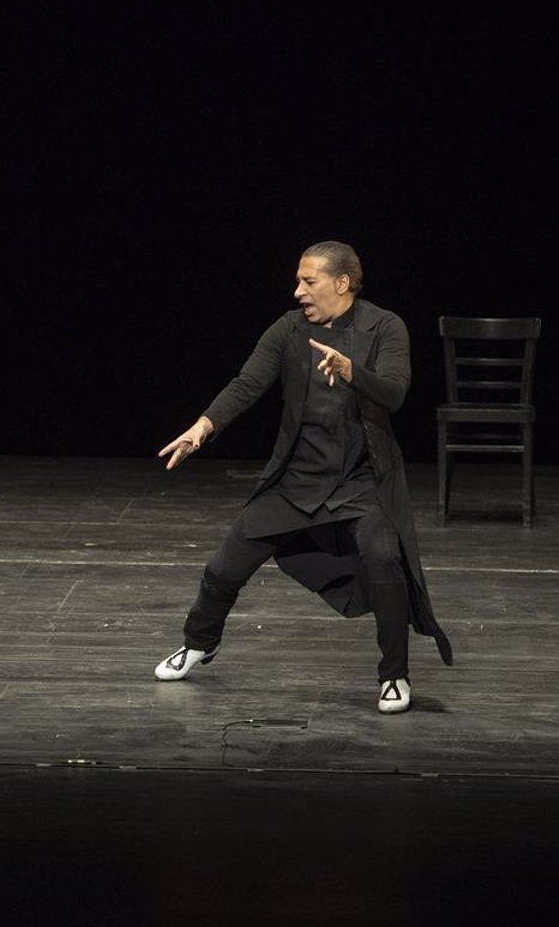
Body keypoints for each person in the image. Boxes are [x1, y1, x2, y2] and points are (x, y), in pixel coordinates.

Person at [154, 241, 452, 713]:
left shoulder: (384, 327)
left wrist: (353, 371)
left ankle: (394, 674)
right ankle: (199, 642)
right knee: (225, 567)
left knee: (383, 559)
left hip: (360, 480)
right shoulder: (289, 330)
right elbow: (246, 384)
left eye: (308, 282)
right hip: (297, 478)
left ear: (342, 283)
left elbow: (394, 393)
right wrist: (202, 428)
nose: (298, 292)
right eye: (298, 281)